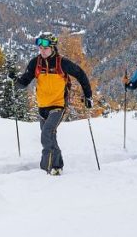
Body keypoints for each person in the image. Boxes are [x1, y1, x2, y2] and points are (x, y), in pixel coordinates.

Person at [13, 32, 93, 175]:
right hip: (42, 105)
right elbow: (24, 82)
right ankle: (57, 165)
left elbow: (81, 74)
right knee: (51, 136)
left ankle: (46, 169)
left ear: (53, 48)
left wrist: (88, 96)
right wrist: (15, 81)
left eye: (46, 48)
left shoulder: (62, 63)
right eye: (40, 48)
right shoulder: (35, 63)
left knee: (46, 134)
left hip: (58, 105)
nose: (42, 51)